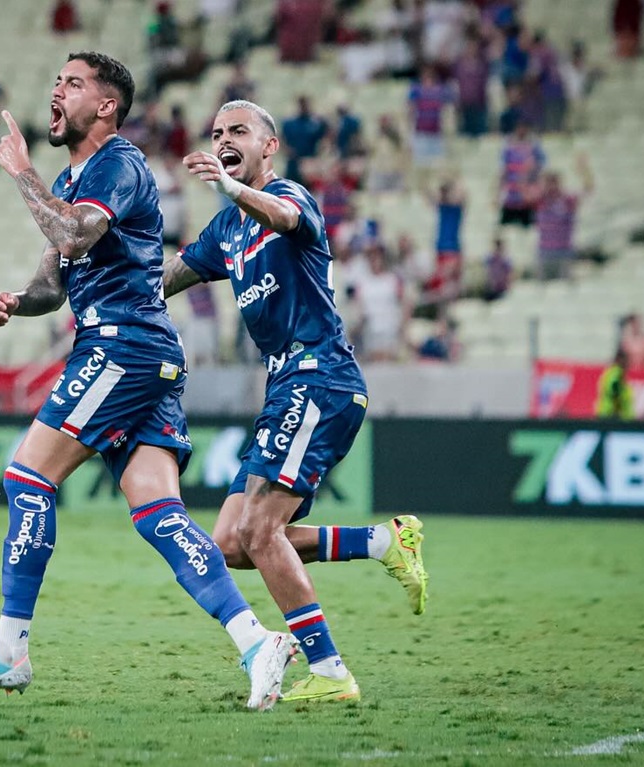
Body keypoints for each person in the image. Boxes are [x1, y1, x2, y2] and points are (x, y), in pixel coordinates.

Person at [0, 53, 298, 712]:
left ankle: (9, 649)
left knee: (27, 478)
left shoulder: (118, 164)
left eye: (71, 83)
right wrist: (19, 300)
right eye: (56, 80)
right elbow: (54, 280)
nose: (56, 90)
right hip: (145, 353)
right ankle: (256, 641)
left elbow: (73, 234)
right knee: (159, 513)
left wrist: (20, 173)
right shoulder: (76, 177)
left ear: (105, 106)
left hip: (121, 347)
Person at [162, 100, 428, 704]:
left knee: (259, 530)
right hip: (284, 388)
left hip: (319, 379)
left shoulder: (290, 197)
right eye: (217, 132)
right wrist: (110, 287)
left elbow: (284, 218)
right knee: (232, 542)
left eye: (238, 131)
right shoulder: (226, 230)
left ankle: (330, 673)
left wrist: (231, 187)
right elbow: (171, 276)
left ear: (268, 147)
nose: (223, 139)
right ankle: (383, 542)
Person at [532, 157, 593, 281]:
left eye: (553, 182)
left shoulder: (567, 200)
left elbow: (587, 190)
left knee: (564, 286)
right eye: (548, 182)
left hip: (564, 252)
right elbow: (523, 192)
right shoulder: (540, 200)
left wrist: (584, 170)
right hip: (544, 253)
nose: (551, 186)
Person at [595, 348, 634, 420]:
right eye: (626, 360)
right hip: (610, 413)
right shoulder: (616, 372)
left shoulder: (610, 373)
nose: (627, 363)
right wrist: (619, 402)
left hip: (608, 412)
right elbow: (614, 388)